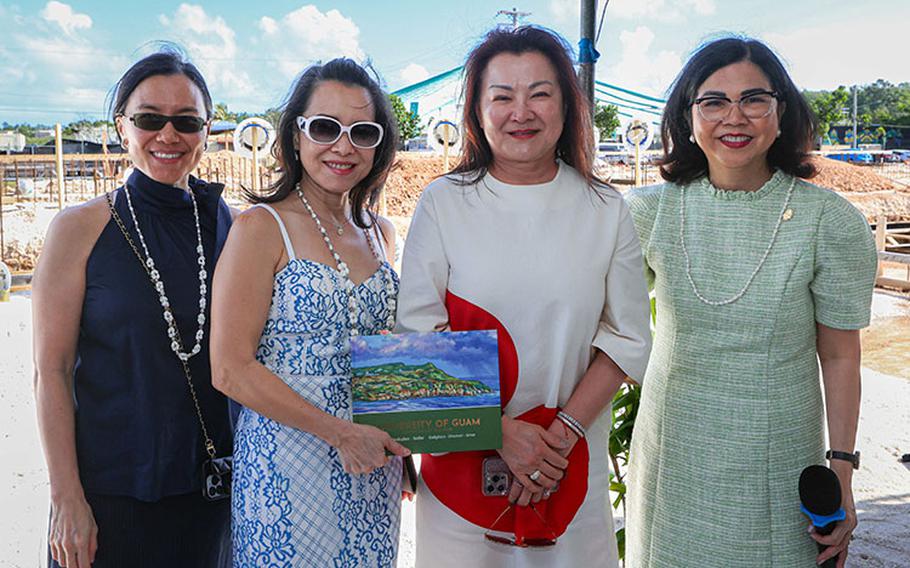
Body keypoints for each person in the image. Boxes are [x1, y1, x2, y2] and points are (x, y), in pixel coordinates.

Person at [395, 26, 652, 568]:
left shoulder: (605, 209)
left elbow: (628, 337)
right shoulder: (443, 203)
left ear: (567, 106)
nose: (521, 111)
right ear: (477, 110)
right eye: (502, 96)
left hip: (570, 468)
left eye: (539, 93)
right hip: (462, 476)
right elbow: (417, 340)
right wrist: (501, 433)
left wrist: (560, 438)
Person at [625, 36, 878, 568]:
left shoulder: (829, 222)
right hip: (673, 450)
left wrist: (842, 472)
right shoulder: (645, 213)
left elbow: (839, 356)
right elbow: (598, 317)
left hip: (779, 453)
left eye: (754, 99)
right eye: (713, 101)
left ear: (781, 112)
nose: (733, 117)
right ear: (687, 117)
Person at [33, 48, 234, 568]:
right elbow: (50, 373)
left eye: (186, 121)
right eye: (149, 119)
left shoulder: (228, 226)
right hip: (107, 501)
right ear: (123, 128)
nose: (168, 135)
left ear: (206, 132)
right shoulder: (77, 230)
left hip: (208, 497)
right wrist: (66, 498)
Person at [209, 58, 409, 567]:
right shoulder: (260, 228)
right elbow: (230, 369)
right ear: (296, 135)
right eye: (325, 127)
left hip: (371, 469)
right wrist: (339, 433)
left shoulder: (380, 233)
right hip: (287, 468)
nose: (343, 146)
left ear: (378, 145)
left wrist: (410, 430)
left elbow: (391, 352)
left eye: (362, 132)